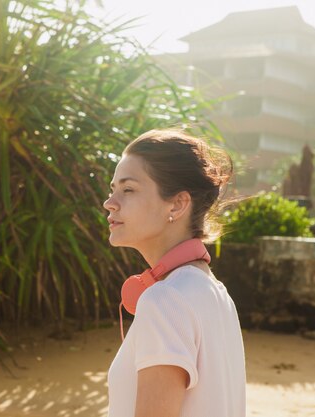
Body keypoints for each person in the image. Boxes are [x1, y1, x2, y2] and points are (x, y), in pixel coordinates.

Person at [103, 129, 246, 417]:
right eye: (112, 189)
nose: (110, 203)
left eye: (128, 189)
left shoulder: (165, 300)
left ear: (177, 204)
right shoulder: (215, 292)